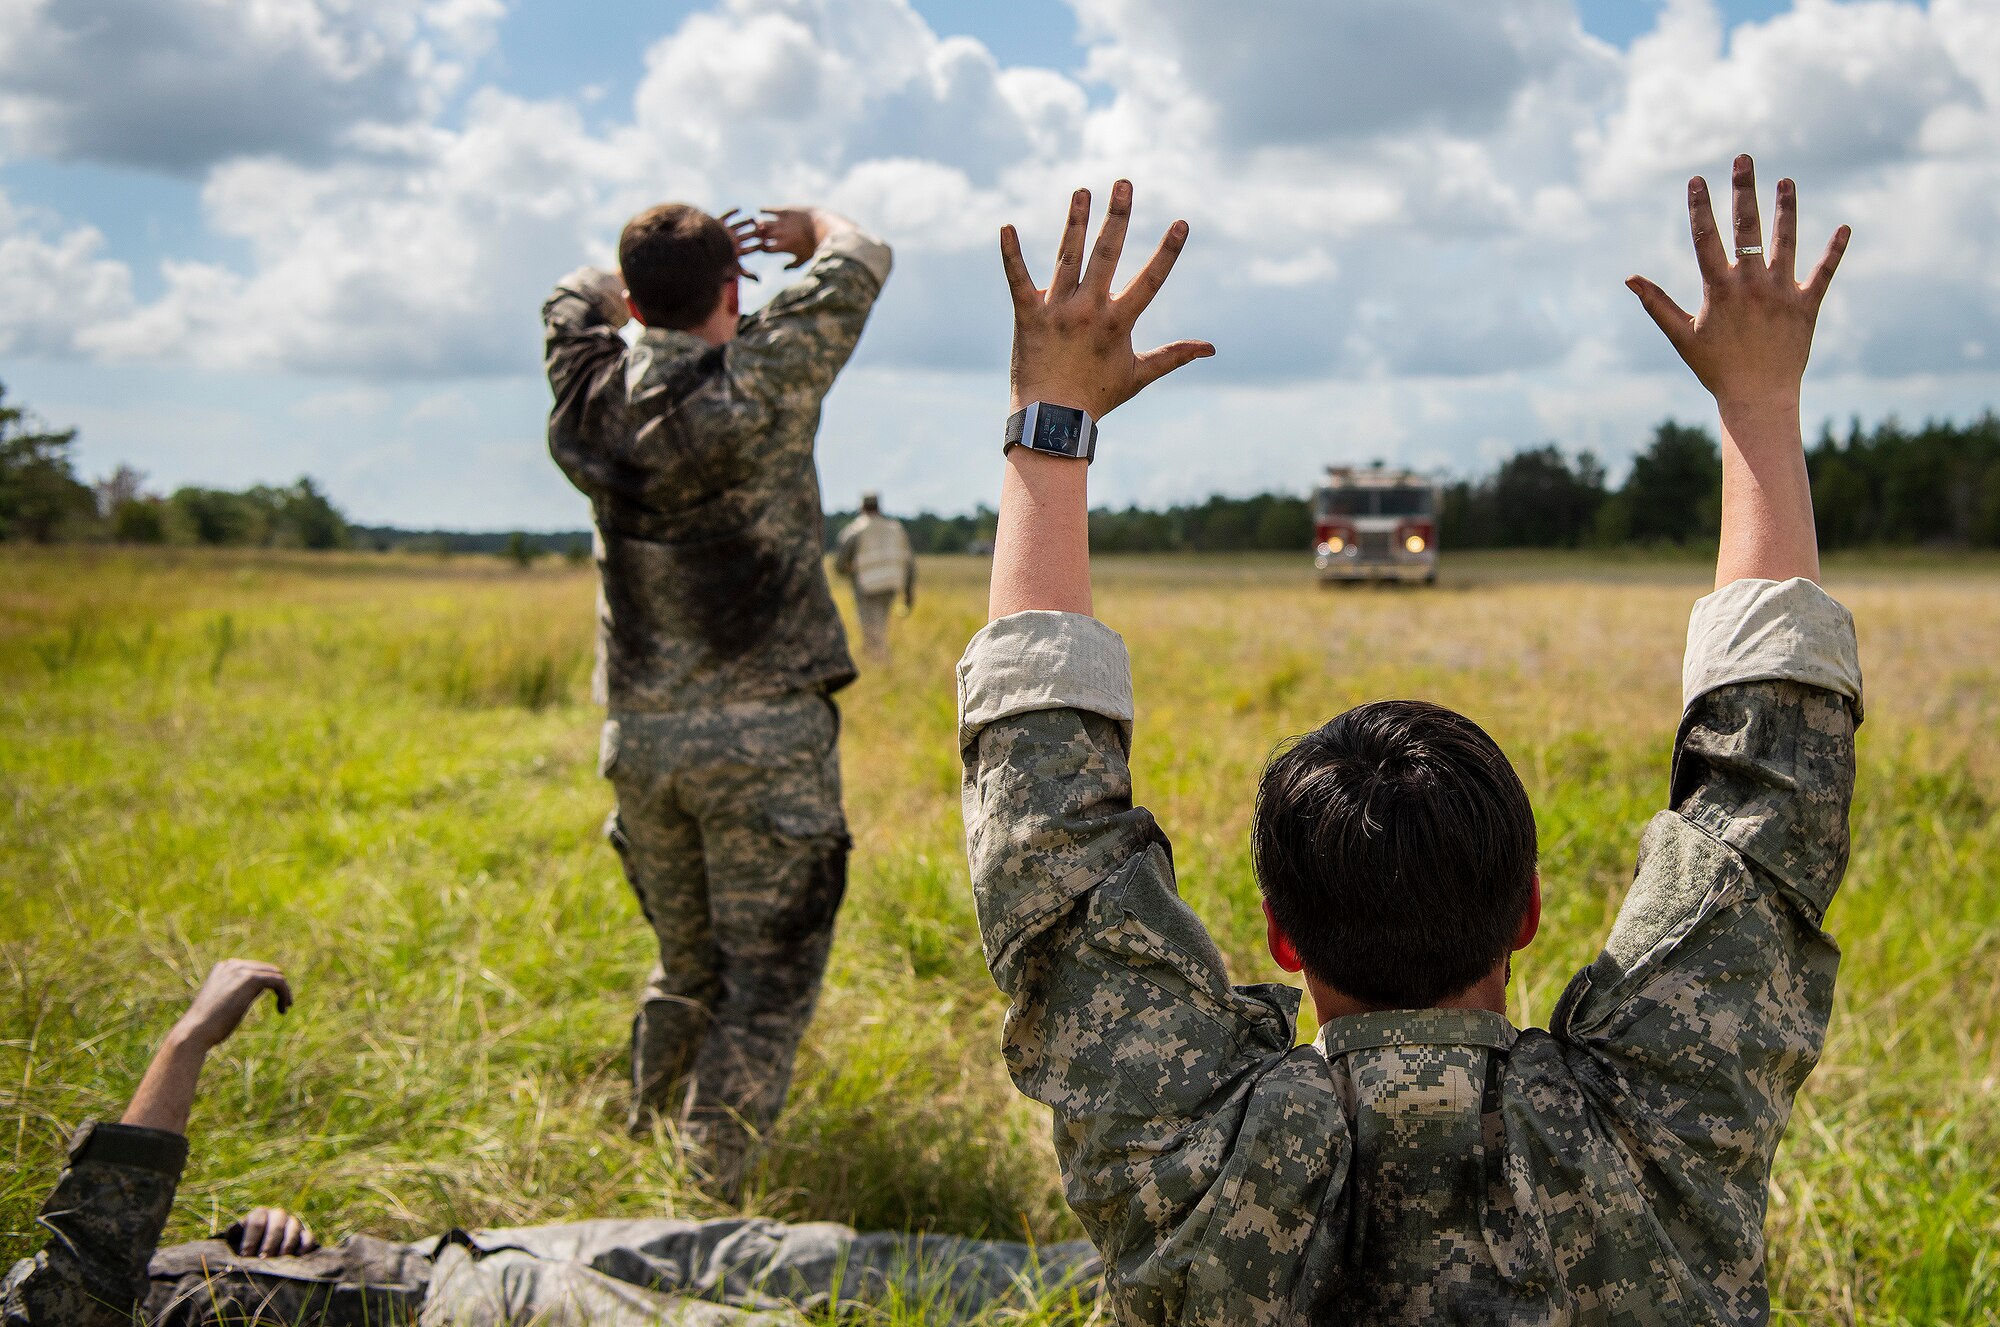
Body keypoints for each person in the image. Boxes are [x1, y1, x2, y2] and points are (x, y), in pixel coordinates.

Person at [957, 162, 1859, 1323]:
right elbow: (1766, 804)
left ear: (1280, 937)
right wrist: (1760, 405)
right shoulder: (1657, 1124)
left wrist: (1052, 423)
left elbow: (1051, 851)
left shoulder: (1194, 1158)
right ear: (1527, 911)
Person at [2, 960, 1099, 1326]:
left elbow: (125, 1285)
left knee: (782, 1250)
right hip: (458, 1309)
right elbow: (90, 1260)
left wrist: (241, 1249)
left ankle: (1089, 1281)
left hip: (448, 1255)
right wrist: (191, 1038)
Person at [542, 200, 893, 1188]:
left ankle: (639, 1146)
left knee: (684, 965)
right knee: (765, 980)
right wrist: (806, 224)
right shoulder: (759, 376)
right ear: (732, 295)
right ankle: (702, 1195)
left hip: (640, 738)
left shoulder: (586, 388)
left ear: (635, 302)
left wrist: (642, 276)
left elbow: (574, 296)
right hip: (764, 739)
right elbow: (862, 250)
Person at [833, 491, 916, 662]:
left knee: (870, 626)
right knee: (881, 624)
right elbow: (909, 562)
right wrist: (908, 592)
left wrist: (848, 571)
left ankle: (879, 661)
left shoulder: (856, 530)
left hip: (867, 585)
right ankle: (878, 658)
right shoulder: (895, 529)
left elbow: (840, 563)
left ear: (862, 507)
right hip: (892, 583)